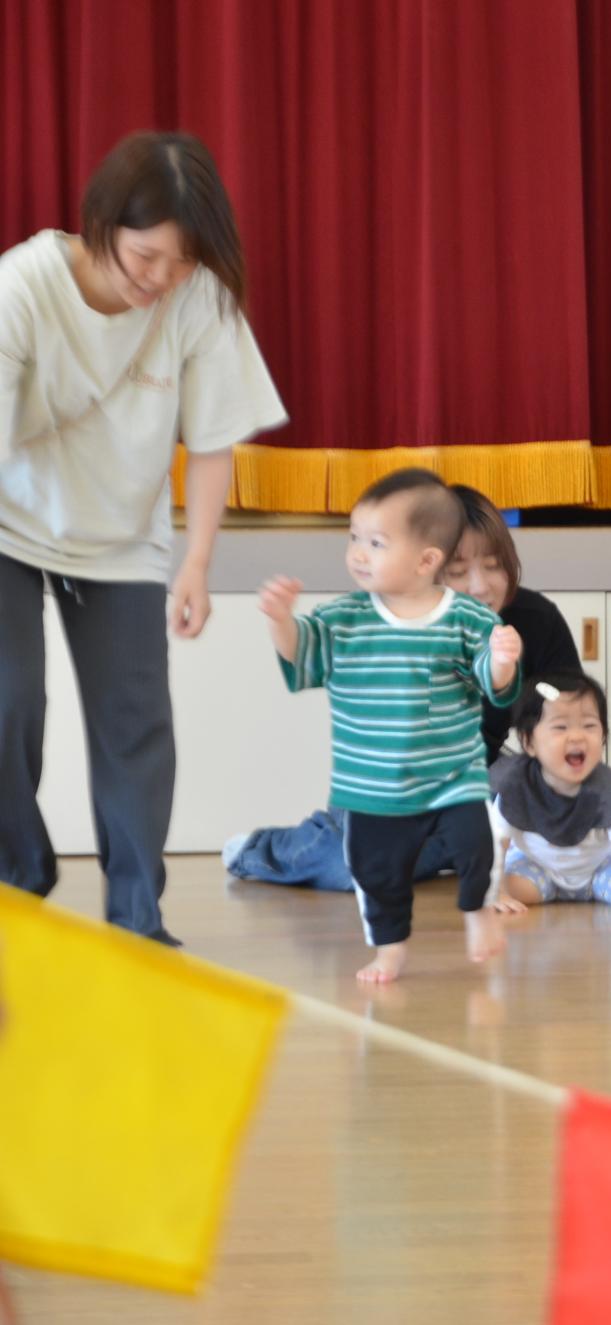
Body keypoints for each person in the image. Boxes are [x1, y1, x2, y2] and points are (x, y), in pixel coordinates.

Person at [0, 131, 288, 943]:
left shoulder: (198, 298)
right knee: (6, 697)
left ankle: (137, 921)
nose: (159, 279)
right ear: (100, 222)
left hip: (121, 533)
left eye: (181, 262)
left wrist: (196, 561)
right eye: (145, 255)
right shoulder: (21, 288)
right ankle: (16, 875)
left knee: (136, 725)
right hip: (10, 521)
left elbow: (213, 436)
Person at [225, 484, 611, 887]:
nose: (481, 586)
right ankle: (266, 849)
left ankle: (479, 853)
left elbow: (565, 713)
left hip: (500, 785)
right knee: (355, 868)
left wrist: (539, 699)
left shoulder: (534, 621)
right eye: (458, 571)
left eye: (493, 566)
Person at [260, 469, 521, 982]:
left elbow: (494, 686)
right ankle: (390, 950)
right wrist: (281, 623)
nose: (358, 553)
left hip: (452, 776)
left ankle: (477, 912)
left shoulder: (468, 619)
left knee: (476, 844)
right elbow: (304, 656)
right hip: (372, 785)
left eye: (376, 543)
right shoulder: (343, 618)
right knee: (374, 872)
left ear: (427, 560)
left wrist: (504, 660)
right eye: (354, 538)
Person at [488, 673, 611, 916]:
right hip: (537, 868)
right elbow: (498, 843)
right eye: (560, 727)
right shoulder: (516, 787)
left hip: (598, 871)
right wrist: (497, 890)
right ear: (529, 743)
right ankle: (520, 888)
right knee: (502, 887)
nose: (577, 736)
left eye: (589, 725)